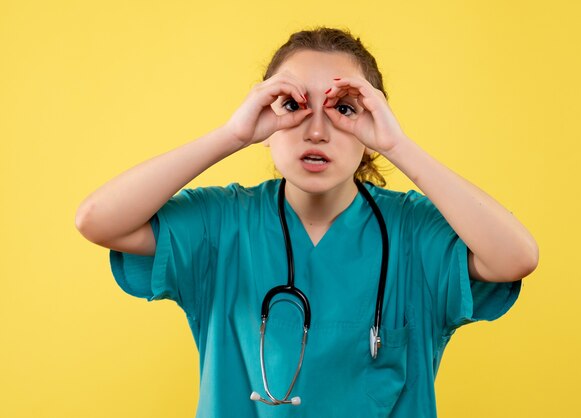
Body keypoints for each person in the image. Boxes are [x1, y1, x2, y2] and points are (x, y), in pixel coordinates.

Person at [76, 27, 538, 418]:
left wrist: (399, 147)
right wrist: (231, 135)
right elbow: (98, 220)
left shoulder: (413, 231)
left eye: (345, 108)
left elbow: (516, 257)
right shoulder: (224, 225)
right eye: (292, 105)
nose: (316, 130)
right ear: (264, 116)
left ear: (374, 125)